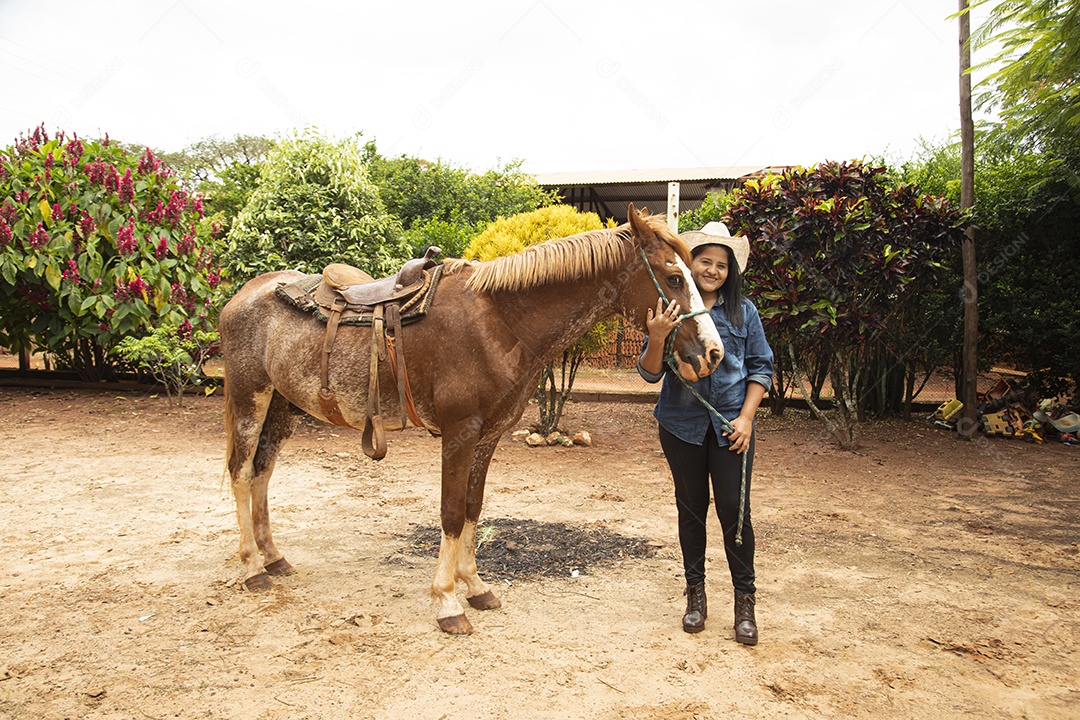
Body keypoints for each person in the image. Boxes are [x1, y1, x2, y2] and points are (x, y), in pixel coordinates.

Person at [637, 222, 774, 644]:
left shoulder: (743, 312)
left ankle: (744, 602)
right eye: (705, 261)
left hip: (730, 426)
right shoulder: (670, 305)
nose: (713, 270)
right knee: (692, 509)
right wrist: (657, 336)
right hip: (680, 426)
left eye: (721, 265)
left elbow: (761, 368)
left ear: (731, 272)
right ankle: (695, 596)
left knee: (734, 511)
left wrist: (747, 418)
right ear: (690, 264)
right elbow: (648, 372)